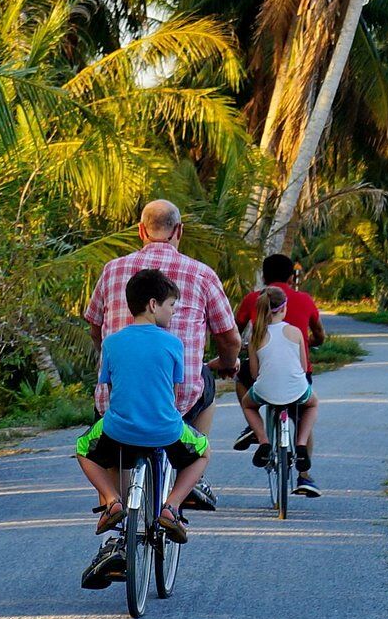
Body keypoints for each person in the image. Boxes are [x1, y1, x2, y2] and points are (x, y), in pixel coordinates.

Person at [84, 200, 238, 510]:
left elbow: (95, 327)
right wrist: (226, 363)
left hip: (118, 405)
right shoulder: (201, 274)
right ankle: (189, 474)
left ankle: (113, 507)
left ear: (141, 231)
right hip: (173, 407)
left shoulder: (113, 269)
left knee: (104, 441)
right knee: (204, 381)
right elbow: (229, 338)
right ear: (179, 230)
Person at [76, 269, 213, 587]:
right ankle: (172, 507)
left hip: (119, 430)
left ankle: (112, 501)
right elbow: (175, 391)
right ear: (153, 304)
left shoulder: (112, 342)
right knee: (203, 451)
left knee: (84, 449)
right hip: (165, 429)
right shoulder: (173, 344)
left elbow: (108, 387)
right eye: (171, 306)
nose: (173, 312)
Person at [233, 252, 324, 451]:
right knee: (302, 419)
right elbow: (319, 335)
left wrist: (244, 350)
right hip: (297, 375)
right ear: (291, 278)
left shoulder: (252, 300)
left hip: (262, 373)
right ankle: (305, 475)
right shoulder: (305, 300)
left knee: (241, 380)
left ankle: (254, 428)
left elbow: (234, 334)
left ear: (264, 278)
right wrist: (307, 343)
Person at [241, 284, 322, 497]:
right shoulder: (295, 332)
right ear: (284, 308)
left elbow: (254, 373)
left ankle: (264, 441)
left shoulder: (256, 336)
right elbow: (304, 368)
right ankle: (302, 444)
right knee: (312, 404)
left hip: (265, 390)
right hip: (296, 390)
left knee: (247, 404)